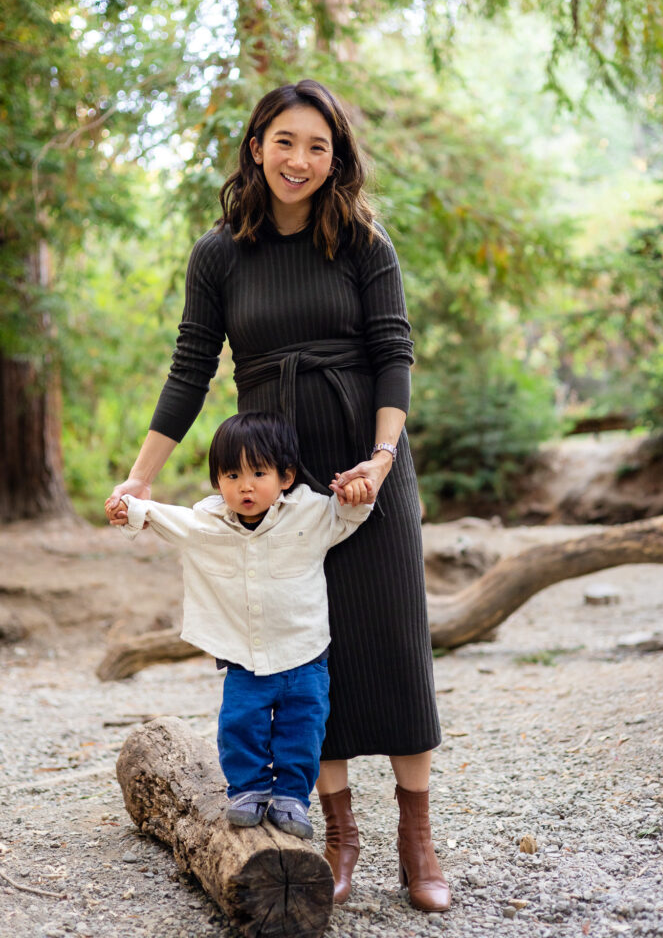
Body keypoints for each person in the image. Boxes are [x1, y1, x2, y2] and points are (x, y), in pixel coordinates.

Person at [106, 78, 450, 913]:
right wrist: (142, 477)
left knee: (396, 641)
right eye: (285, 141)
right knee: (301, 646)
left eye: (318, 146)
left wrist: (380, 454)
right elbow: (192, 367)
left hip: (367, 467)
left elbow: (395, 354)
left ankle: (416, 835)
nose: (299, 160)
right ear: (257, 146)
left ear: (336, 159)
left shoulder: (364, 241)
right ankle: (338, 835)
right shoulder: (220, 253)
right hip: (275, 476)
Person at [105, 411, 372, 840]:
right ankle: (248, 790)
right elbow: (160, 515)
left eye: (259, 473)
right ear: (217, 482)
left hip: (305, 656)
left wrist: (357, 491)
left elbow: (349, 514)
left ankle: (290, 796)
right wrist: (129, 508)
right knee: (239, 725)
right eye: (232, 474)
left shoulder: (310, 513)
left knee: (303, 729)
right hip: (243, 657)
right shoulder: (205, 524)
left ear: (285, 477)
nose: (245, 486)